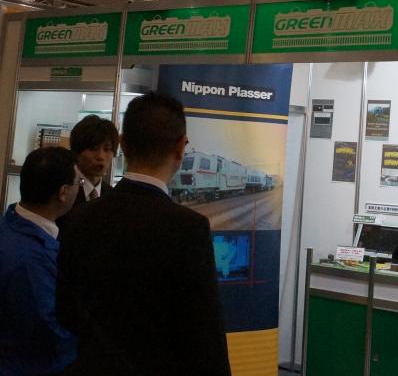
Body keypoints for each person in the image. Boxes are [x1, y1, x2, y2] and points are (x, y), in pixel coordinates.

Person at [58, 92, 231, 376]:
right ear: (180, 148)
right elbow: (204, 336)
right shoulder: (189, 228)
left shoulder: (79, 218)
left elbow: (65, 312)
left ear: (123, 144)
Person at [0, 147, 80, 375]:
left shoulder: (10, 227)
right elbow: (49, 332)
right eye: (79, 182)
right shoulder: (32, 259)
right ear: (63, 192)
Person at [62, 115, 118, 215]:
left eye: (107, 149)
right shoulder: (64, 192)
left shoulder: (113, 196)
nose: (101, 156)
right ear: (77, 151)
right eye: (93, 148)